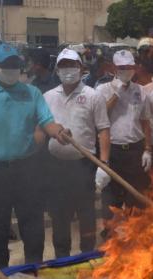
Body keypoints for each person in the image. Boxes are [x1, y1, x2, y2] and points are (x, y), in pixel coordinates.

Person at [0, 43, 72, 268]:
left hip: (27, 169)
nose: (13, 70)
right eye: (8, 65)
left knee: (33, 229)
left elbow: (47, 122)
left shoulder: (31, 93)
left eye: (16, 65)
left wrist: (58, 132)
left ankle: (33, 276)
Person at [43, 48, 109, 258]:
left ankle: (86, 257)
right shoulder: (47, 97)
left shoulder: (93, 96)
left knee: (87, 217)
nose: (68, 70)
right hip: (56, 167)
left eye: (72, 65)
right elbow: (43, 128)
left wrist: (103, 164)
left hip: (84, 165)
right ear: (57, 70)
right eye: (63, 66)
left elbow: (104, 130)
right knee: (59, 218)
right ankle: (62, 260)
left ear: (81, 68)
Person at [97, 50, 152, 213]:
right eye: (122, 67)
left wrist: (148, 149)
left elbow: (145, 121)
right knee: (111, 201)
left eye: (129, 66)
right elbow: (101, 115)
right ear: (114, 68)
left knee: (136, 200)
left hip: (135, 151)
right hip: (112, 151)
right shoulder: (102, 89)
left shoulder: (141, 91)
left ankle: (133, 234)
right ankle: (110, 233)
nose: (126, 70)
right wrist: (117, 93)